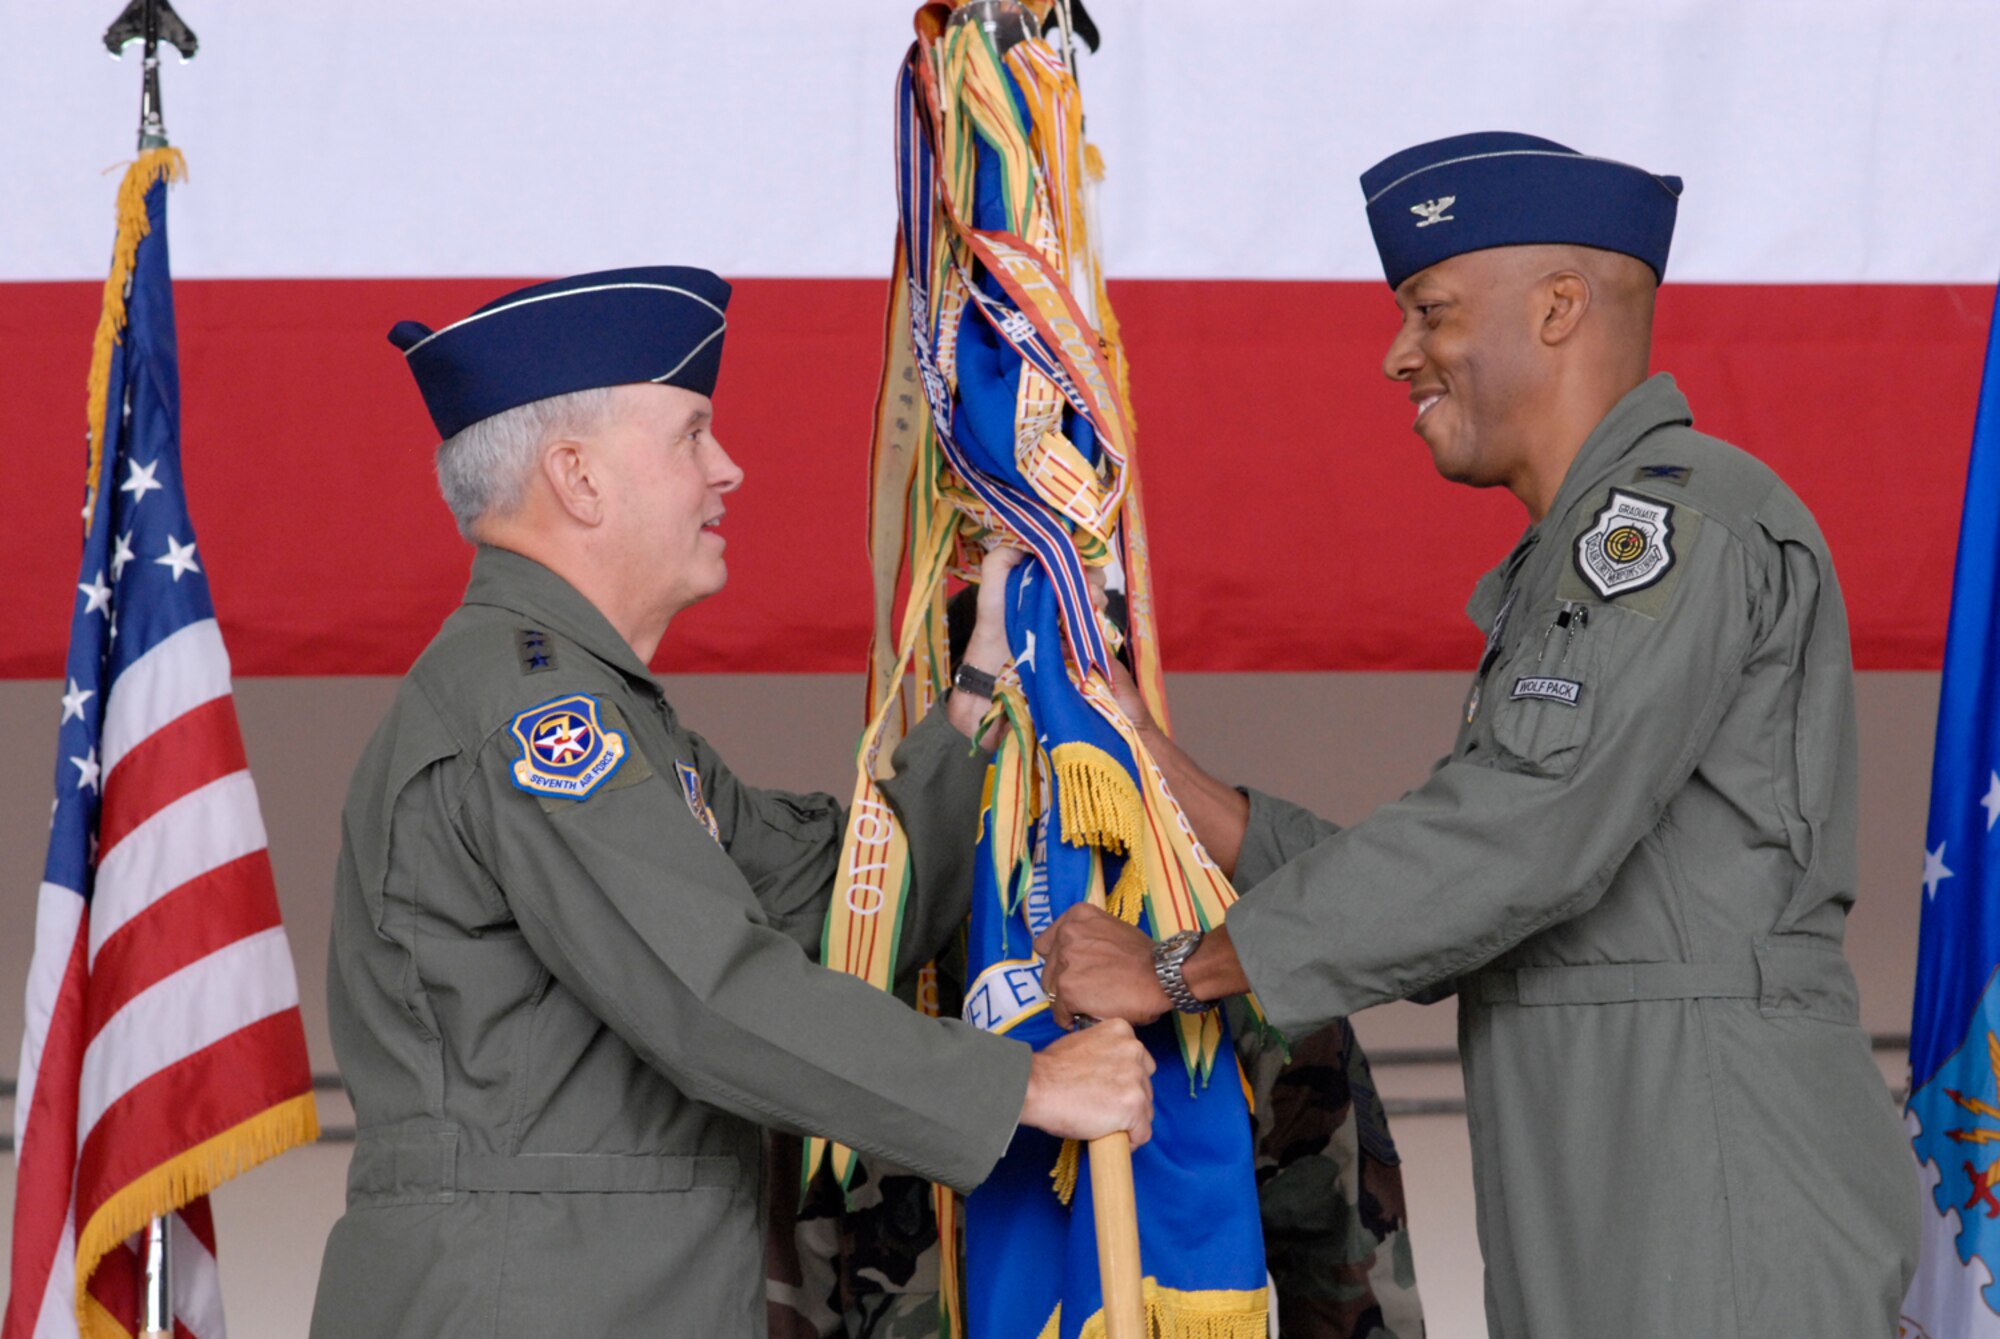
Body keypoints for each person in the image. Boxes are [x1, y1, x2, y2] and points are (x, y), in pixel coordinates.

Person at [1034, 133, 1919, 1338]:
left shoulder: (1669, 522)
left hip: (1708, 1157)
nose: (1400, 354)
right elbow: (1468, 887)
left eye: (1431, 309)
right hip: (1615, 1143)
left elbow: (1513, 841)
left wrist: (1180, 966)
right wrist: (1156, 771)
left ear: (1558, 307)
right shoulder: (1571, 555)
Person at [307, 266, 1155, 1339]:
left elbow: (837, 909)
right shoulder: (533, 715)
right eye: (690, 435)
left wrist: (980, 679)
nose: (728, 468)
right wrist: (1021, 1087)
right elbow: (711, 992)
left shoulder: (600, 707)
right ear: (577, 478)